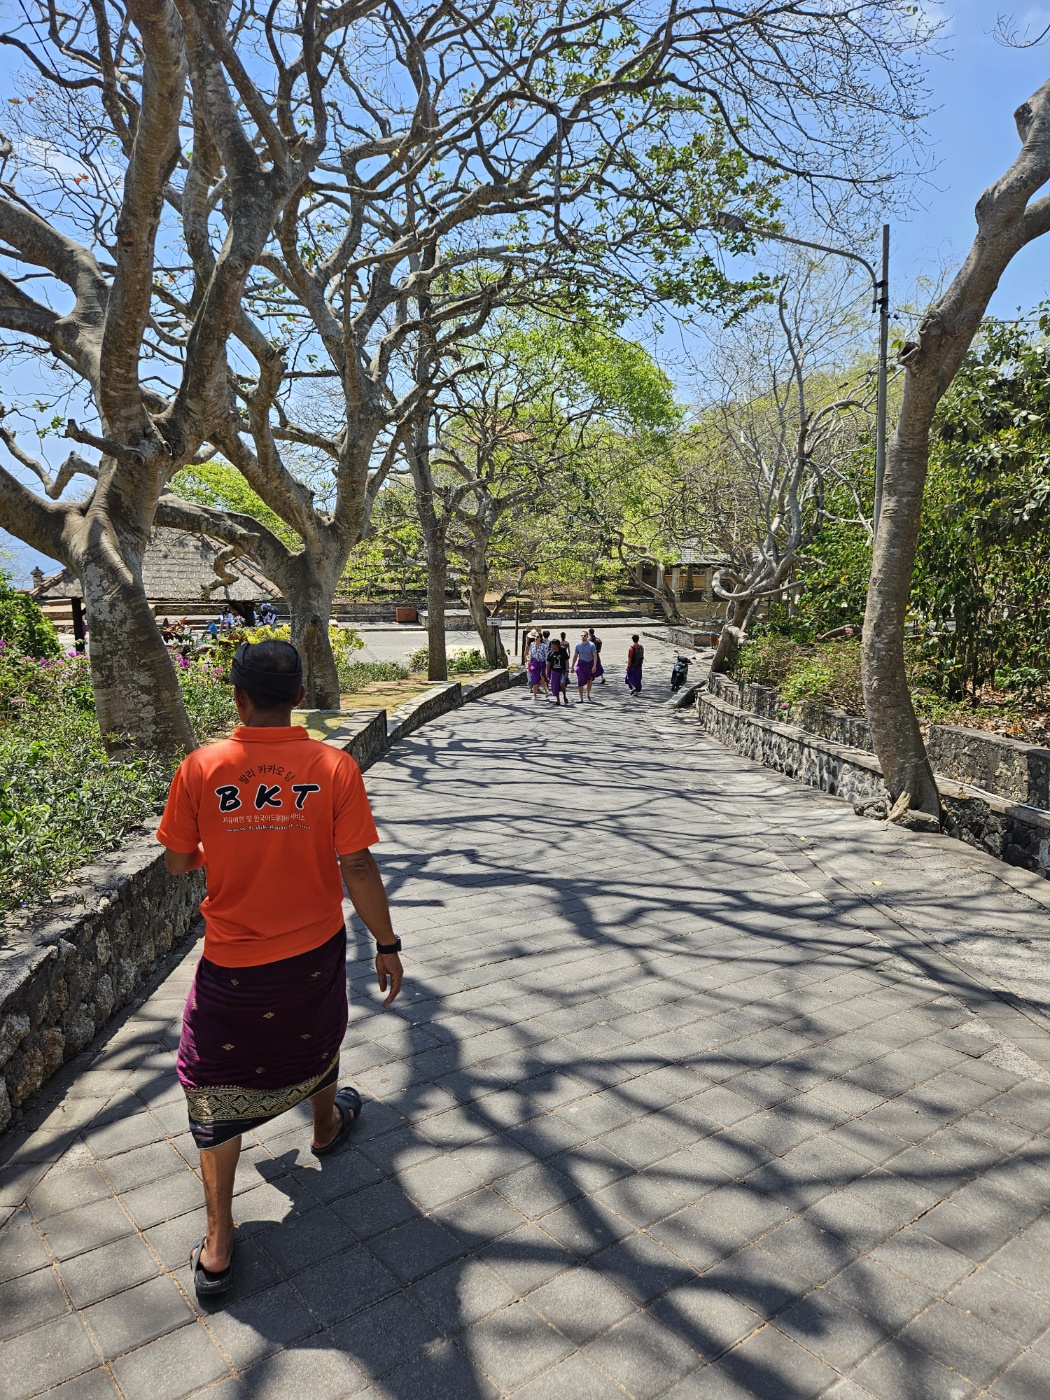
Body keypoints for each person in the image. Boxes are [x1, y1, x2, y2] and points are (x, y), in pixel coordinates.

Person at [157, 640, 403, 1299]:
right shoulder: (333, 767)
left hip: (234, 962)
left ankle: (218, 1244)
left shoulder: (202, 768)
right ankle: (325, 1126)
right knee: (315, 1033)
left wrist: (228, 840)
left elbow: (179, 863)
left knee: (213, 1081)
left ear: (237, 698)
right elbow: (355, 865)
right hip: (315, 948)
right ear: (299, 698)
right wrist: (387, 942)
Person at [572, 629, 598, 702]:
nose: (583, 637)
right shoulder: (578, 645)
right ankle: (581, 698)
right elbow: (575, 656)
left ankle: (588, 694)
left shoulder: (592, 645)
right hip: (580, 664)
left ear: (587, 636)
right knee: (580, 680)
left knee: (589, 680)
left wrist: (594, 666)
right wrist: (572, 666)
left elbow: (595, 656)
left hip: (589, 664)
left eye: (584, 636)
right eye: (582, 636)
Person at [546, 637, 570, 706]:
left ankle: (564, 695)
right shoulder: (550, 653)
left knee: (562, 684)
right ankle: (558, 700)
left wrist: (567, 671)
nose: (551, 646)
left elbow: (566, 660)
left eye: (552, 645)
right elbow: (548, 664)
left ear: (556, 645)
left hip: (562, 671)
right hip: (554, 672)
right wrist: (547, 673)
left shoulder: (562, 651)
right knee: (555, 686)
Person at [526, 631, 545, 698]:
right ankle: (534, 694)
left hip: (541, 663)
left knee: (540, 677)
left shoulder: (543, 646)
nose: (536, 638)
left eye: (537, 637)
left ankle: (545, 690)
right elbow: (529, 654)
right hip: (533, 663)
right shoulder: (531, 644)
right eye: (535, 636)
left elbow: (546, 656)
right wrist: (529, 663)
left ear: (540, 638)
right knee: (533, 678)